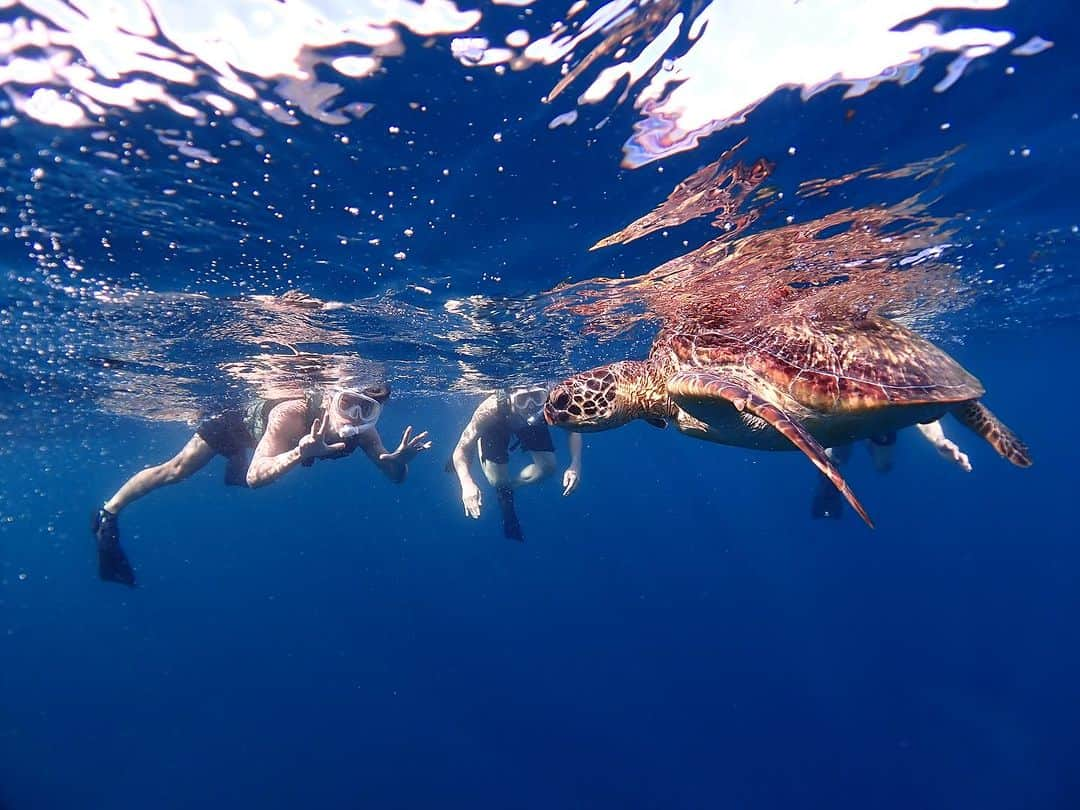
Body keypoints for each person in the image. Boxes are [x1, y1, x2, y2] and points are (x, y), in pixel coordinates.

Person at [92, 384, 431, 586]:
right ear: (330, 398)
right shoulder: (292, 413)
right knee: (178, 469)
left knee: (248, 462)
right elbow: (256, 478)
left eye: (366, 409)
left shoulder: (365, 433)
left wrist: (397, 462)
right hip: (240, 425)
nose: (353, 417)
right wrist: (299, 452)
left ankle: (237, 462)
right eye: (347, 404)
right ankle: (108, 512)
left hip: (269, 445)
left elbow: (394, 478)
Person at [450, 385, 582, 541]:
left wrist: (575, 465)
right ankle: (500, 482)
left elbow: (574, 428)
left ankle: (507, 489)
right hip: (496, 425)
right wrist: (466, 483)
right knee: (497, 480)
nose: (530, 405)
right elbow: (461, 449)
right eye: (522, 400)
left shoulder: (552, 401)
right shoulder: (491, 408)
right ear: (510, 398)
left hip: (533, 424)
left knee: (548, 468)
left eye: (537, 397)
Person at [811, 419, 971, 519]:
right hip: (845, 419)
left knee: (883, 466)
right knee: (839, 456)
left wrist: (938, 440)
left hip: (881, 421)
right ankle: (827, 487)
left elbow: (919, 402)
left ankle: (868, 441)